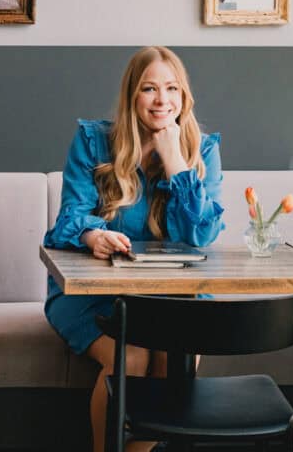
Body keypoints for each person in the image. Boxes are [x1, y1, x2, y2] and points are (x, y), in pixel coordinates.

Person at [43, 46, 225, 452]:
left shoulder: (203, 150)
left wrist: (174, 159)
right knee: (133, 357)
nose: (162, 101)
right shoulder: (94, 142)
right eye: (149, 89)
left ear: (184, 95)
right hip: (96, 297)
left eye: (172, 88)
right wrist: (93, 237)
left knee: (172, 361)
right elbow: (68, 218)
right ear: (132, 95)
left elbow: (199, 236)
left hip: (176, 297)